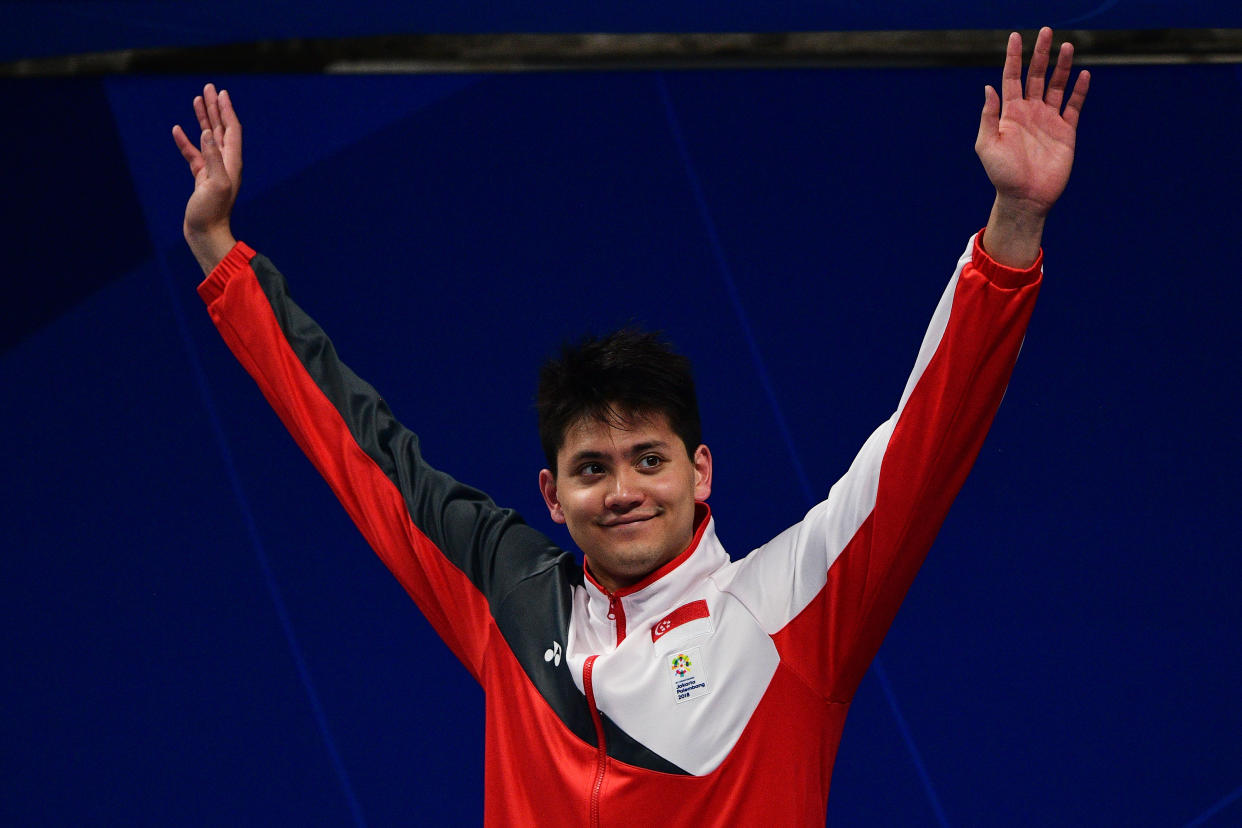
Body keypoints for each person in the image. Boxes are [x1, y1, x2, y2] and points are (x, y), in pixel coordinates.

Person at [173, 27, 1088, 826]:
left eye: (649, 460)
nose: (622, 492)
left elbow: (928, 440)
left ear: (702, 472)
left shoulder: (789, 611)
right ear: (552, 496)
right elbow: (359, 444)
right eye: (591, 469)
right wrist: (221, 253)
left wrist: (1013, 227)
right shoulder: (508, 591)